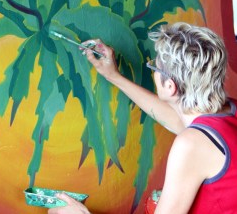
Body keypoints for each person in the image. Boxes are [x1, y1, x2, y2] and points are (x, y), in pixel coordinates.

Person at [50, 22, 235, 213]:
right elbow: (174, 118)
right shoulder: (229, 110)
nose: (153, 70)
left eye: (155, 67)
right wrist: (114, 76)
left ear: (170, 87)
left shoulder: (191, 144)